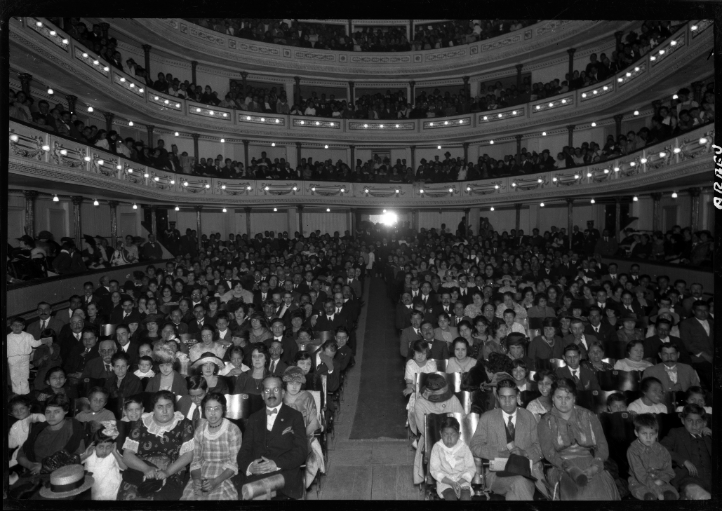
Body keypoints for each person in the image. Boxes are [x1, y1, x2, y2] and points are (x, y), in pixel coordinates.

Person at [538, 378, 619, 500]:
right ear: (553, 398)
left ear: (574, 398)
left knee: (600, 492)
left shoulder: (589, 415)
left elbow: (602, 446)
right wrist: (569, 468)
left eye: (568, 398)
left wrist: (595, 467)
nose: (563, 402)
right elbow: (549, 453)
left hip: (591, 463)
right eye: (559, 397)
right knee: (575, 493)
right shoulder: (546, 421)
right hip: (562, 466)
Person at [469, 378, 544, 500]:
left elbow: (540, 447)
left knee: (513, 496)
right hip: (497, 475)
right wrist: (498, 454)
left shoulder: (528, 416)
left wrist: (524, 453)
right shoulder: (487, 418)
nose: (507, 402)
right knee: (519, 482)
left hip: (526, 473)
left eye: (511, 397)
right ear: (497, 398)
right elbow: (474, 446)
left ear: (517, 396)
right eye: (503, 397)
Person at [236, 376, 308, 500]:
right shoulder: (254, 418)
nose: (271, 394)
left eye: (275, 390)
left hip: (284, 475)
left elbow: (301, 451)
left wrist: (276, 464)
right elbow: (244, 451)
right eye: (267, 390)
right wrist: (250, 467)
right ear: (262, 395)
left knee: (253, 493)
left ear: (283, 393)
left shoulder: (295, 416)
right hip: (257, 475)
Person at [118, 390, 194, 500]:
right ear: (153, 408)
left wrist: (167, 472)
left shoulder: (184, 423)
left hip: (171, 471)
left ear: (174, 406)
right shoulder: (141, 423)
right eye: (160, 407)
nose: (165, 411)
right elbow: (127, 455)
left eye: (168, 406)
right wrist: (146, 469)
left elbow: (188, 455)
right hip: (140, 470)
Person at [180, 393, 242, 500]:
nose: (212, 413)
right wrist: (196, 479)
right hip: (202, 473)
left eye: (216, 409)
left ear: (223, 409)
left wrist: (216, 481)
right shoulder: (200, 431)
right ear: (204, 410)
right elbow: (196, 461)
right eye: (208, 409)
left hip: (224, 475)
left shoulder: (232, 430)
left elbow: (234, 464)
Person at [413, 373, 465, 486]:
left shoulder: (452, 399)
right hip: (430, 439)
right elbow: (424, 430)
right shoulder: (420, 404)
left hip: (454, 438)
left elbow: (462, 419)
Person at [16, 394, 86, 477]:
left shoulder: (73, 428)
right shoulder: (39, 429)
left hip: (62, 475)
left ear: (66, 411)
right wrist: (31, 466)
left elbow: (79, 457)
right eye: (48, 412)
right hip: (34, 473)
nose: (51, 416)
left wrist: (45, 467)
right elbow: (21, 453)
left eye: (56, 411)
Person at [281, 366, 325, 488]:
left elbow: (314, 423)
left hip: (304, 436)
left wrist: (300, 437)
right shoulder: (280, 396)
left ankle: (296, 483)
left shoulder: (307, 397)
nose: (294, 387)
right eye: (291, 383)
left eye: (298, 383)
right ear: (285, 383)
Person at [659, 404, 711, 500]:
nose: (694, 425)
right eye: (690, 420)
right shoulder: (676, 433)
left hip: (712, 479)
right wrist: (683, 461)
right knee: (702, 497)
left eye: (698, 421)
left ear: (704, 423)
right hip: (688, 479)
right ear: (683, 421)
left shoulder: (709, 436)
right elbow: (660, 449)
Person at [626, 414, 677, 501]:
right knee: (650, 497)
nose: (648, 437)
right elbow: (641, 476)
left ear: (656, 434)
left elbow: (669, 472)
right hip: (639, 483)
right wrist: (658, 492)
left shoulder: (662, 450)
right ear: (636, 433)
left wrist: (662, 480)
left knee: (671, 496)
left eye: (652, 434)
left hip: (660, 481)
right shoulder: (633, 451)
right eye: (644, 433)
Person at [429, 415, 475, 501]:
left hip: (462, 481)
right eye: (446, 434)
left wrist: (459, 482)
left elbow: (471, 468)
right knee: (450, 497)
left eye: (453, 434)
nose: (449, 438)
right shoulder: (437, 448)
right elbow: (435, 470)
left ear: (459, 435)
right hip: (445, 482)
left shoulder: (464, 448)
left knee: (466, 497)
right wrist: (451, 483)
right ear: (440, 434)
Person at [7, 316, 52, 395]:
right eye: (14, 325)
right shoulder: (7, 337)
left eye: (19, 325)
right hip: (13, 359)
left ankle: (25, 394)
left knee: (24, 376)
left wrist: (42, 341)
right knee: (15, 377)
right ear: (11, 327)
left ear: (23, 326)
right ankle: (16, 394)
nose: (17, 327)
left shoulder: (28, 336)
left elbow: (34, 343)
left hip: (24, 358)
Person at [83, 425, 127, 500]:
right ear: (94, 446)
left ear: (112, 446)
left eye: (108, 447)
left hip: (113, 492)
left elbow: (125, 467)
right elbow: (74, 464)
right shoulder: (89, 454)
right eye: (101, 447)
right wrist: (85, 455)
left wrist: (115, 453)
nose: (104, 451)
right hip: (96, 493)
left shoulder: (113, 454)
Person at [403, 340, 437, 436]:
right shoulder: (410, 364)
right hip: (416, 394)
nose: (420, 356)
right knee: (416, 402)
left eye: (423, 353)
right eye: (418, 352)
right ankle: (418, 432)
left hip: (430, 394)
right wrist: (415, 388)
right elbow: (409, 385)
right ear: (413, 352)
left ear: (427, 353)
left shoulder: (431, 364)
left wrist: (415, 387)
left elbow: (434, 384)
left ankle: (429, 432)